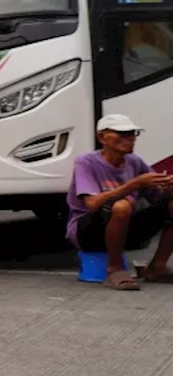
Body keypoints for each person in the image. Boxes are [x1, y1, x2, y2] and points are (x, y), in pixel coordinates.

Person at [66, 114, 174, 290]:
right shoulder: (86, 161)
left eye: (132, 134)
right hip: (88, 231)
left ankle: (157, 267)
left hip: (125, 227)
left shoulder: (134, 161)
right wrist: (134, 184)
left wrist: (168, 185)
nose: (130, 138)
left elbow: (156, 197)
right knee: (122, 205)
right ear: (102, 137)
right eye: (122, 134)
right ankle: (114, 269)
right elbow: (92, 204)